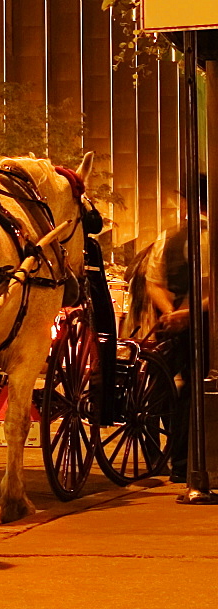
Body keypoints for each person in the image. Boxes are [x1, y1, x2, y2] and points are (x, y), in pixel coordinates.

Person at [146, 182, 208, 483]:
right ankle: (183, 463)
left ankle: (155, 457)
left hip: (175, 325)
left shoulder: (166, 238)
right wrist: (184, 315)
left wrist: (171, 313)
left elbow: (153, 282)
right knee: (193, 390)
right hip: (203, 325)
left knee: (156, 387)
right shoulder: (174, 237)